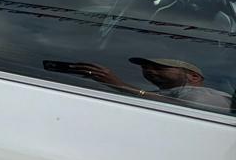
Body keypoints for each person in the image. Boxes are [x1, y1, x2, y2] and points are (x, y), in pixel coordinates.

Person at [69, 57, 232, 113]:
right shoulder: (161, 94)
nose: (149, 70)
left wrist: (119, 84)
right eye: (145, 68)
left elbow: (192, 109)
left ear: (194, 77)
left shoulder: (204, 94)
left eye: (160, 67)